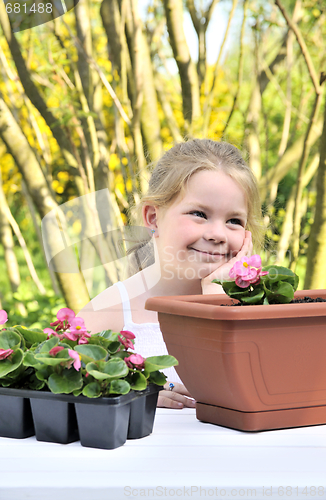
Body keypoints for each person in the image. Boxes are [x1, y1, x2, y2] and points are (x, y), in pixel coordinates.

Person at [78, 139, 264, 409]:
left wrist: (214, 301)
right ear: (153, 217)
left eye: (234, 221)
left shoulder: (258, 309)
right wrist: (130, 391)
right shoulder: (109, 312)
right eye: (199, 214)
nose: (217, 234)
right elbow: (51, 388)